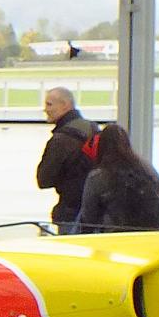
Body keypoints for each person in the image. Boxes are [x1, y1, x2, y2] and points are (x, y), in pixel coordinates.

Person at [75, 124, 159, 234]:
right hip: (153, 237)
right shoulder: (149, 171)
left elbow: (88, 219)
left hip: (118, 239)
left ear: (101, 147)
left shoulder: (99, 177)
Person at [36, 87, 98, 233]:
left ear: (65, 105)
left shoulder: (61, 139)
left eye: (49, 104)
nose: (45, 110)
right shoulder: (93, 129)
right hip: (95, 212)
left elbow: (44, 180)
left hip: (70, 213)